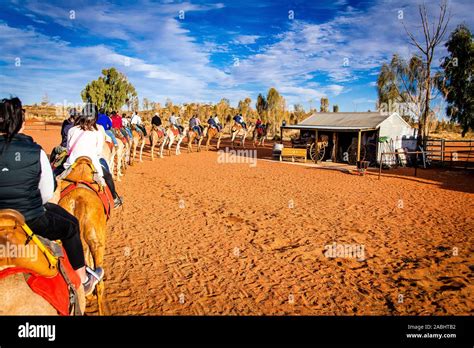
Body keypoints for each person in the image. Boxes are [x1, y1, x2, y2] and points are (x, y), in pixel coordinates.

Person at [0, 97, 104, 296]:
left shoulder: (72, 129)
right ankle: (83, 278)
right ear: (21, 124)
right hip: (29, 218)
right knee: (71, 226)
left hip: (69, 166)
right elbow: (47, 193)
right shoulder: (35, 151)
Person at [63, 104, 123, 208]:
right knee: (107, 175)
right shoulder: (99, 130)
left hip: (71, 163)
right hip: (93, 164)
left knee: (55, 172)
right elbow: (98, 151)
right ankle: (114, 198)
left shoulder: (72, 130)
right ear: (95, 116)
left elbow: (69, 149)